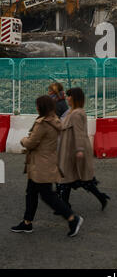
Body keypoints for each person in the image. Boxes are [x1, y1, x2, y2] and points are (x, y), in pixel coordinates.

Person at [11, 95, 83, 237]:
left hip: (40, 165)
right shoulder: (54, 120)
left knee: (48, 196)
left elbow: (31, 142)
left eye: (37, 105)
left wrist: (23, 139)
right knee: (31, 193)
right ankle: (27, 223)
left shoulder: (42, 124)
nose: (36, 107)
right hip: (45, 162)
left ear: (42, 107)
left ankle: (72, 218)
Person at [56, 87, 110, 211]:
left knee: (72, 178)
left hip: (73, 151)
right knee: (72, 179)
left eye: (69, 96)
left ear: (74, 98)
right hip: (70, 150)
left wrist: (79, 149)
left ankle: (64, 207)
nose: (67, 98)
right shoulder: (72, 112)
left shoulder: (76, 114)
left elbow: (79, 133)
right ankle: (66, 205)